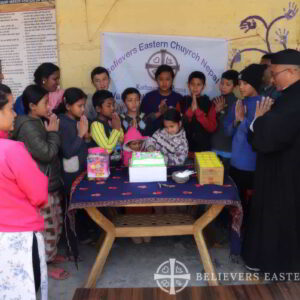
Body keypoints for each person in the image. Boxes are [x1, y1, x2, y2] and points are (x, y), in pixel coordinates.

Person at [243, 49, 300, 275]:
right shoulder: (289, 95)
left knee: (279, 215)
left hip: (286, 171)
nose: (273, 78)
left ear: (293, 71)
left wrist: (256, 123)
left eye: (275, 73)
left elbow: (272, 131)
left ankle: (279, 265)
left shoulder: (295, 99)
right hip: (284, 167)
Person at [11, 84, 70, 280]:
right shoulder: (28, 126)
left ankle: (50, 257)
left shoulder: (37, 120)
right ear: (32, 106)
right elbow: (46, 153)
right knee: (45, 227)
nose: (50, 105)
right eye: (46, 102)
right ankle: (44, 266)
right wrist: (53, 132)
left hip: (50, 183)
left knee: (55, 223)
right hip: (40, 186)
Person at [0, 90, 48, 299]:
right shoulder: (11, 150)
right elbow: (38, 194)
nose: (15, 115)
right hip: (18, 237)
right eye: (10, 110)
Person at [224, 64, 267, 228]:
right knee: (235, 205)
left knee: (250, 208)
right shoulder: (238, 104)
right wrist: (236, 120)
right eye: (240, 83)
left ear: (255, 84)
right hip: (236, 163)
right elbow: (227, 132)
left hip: (253, 164)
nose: (241, 87)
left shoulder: (264, 104)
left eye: (245, 83)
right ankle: (235, 237)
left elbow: (259, 135)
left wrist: (243, 121)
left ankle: (247, 240)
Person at [122, 127, 153, 244]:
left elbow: (149, 140)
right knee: (132, 208)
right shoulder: (126, 154)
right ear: (128, 144)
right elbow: (127, 164)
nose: (137, 146)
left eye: (139, 143)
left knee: (146, 207)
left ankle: (146, 231)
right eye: (134, 143)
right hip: (131, 185)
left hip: (144, 183)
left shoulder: (144, 151)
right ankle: (134, 232)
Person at [177, 71, 217, 152]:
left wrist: (198, 112)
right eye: (192, 84)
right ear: (188, 85)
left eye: (199, 84)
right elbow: (177, 126)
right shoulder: (181, 102)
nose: (195, 87)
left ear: (204, 86)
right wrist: (191, 110)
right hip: (183, 148)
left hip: (203, 148)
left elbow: (212, 128)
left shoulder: (209, 103)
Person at [140, 64, 183, 135]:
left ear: (172, 79)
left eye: (167, 79)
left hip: (172, 140)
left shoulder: (179, 98)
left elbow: (181, 122)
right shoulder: (148, 97)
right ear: (156, 79)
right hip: (151, 138)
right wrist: (159, 113)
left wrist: (169, 111)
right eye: (161, 79)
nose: (164, 83)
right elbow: (142, 122)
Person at [211, 70, 239, 172]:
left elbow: (233, 126)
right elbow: (210, 123)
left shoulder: (237, 103)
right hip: (213, 144)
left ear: (235, 87)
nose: (223, 86)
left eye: (228, 84)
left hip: (227, 148)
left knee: (224, 178)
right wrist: (216, 112)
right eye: (222, 83)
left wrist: (222, 112)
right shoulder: (215, 100)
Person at [90, 90, 124, 161]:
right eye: (108, 106)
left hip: (117, 164)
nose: (113, 108)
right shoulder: (96, 124)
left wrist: (118, 126)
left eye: (113, 104)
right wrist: (116, 129)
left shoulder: (112, 121)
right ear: (98, 109)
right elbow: (106, 150)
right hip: (102, 168)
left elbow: (121, 140)